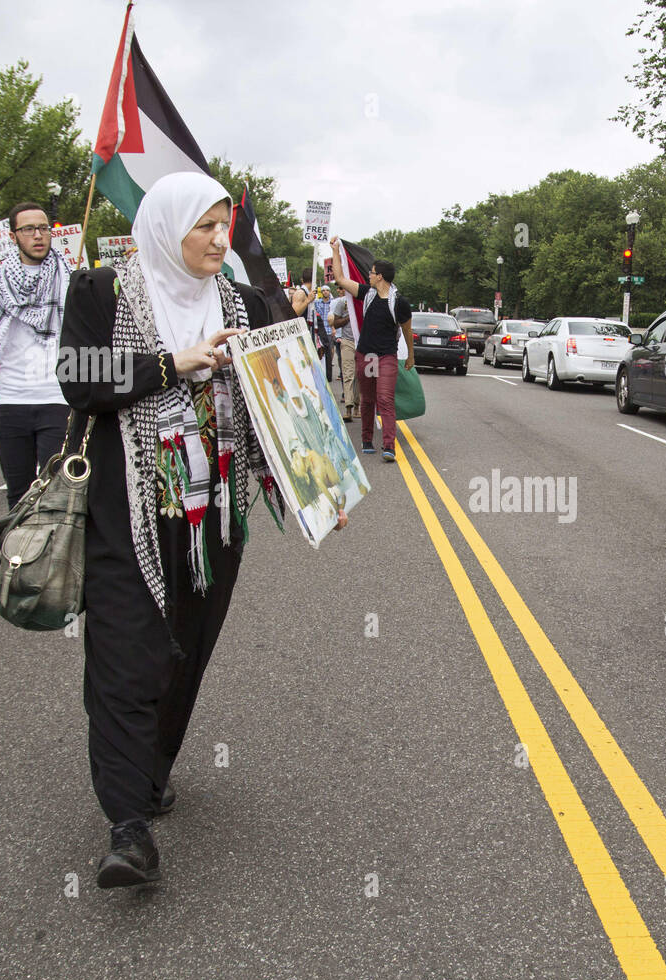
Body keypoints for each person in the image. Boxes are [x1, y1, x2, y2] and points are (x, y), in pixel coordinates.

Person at [58, 171, 345, 889]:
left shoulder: (242, 302)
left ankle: (153, 772)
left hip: (211, 516)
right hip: (128, 515)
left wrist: (320, 482)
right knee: (126, 656)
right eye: (207, 227)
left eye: (225, 226)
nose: (221, 239)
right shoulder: (102, 292)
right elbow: (77, 374)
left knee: (182, 654)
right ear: (166, 228)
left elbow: (286, 392)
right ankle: (127, 827)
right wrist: (172, 363)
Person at [0, 203, 72, 508]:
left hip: (56, 397)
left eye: (44, 228)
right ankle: (18, 556)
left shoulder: (70, 278)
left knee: (56, 495)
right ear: (13, 236)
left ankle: (55, 556)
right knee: (18, 496)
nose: (38, 235)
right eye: (28, 229)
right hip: (11, 400)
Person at [327, 235, 414, 462]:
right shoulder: (368, 294)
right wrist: (336, 250)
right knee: (367, 399)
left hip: (386, 357)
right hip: (366, 355)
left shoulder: (400, 303)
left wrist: (410, 357)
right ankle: (366, 440)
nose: (369, 275)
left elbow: (406, 331)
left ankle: (389, 446)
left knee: (384, 398)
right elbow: (340, 278)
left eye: (372, 272)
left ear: (380, 277)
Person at [329, 282, 359, 421]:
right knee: (348, 375)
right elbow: (335, 322)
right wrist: (349, 317)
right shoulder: (342, 303)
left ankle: (357, 407)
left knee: (361, 376)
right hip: (347, 342)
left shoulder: (363, 300)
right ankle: (348, 408)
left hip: (363, 343)